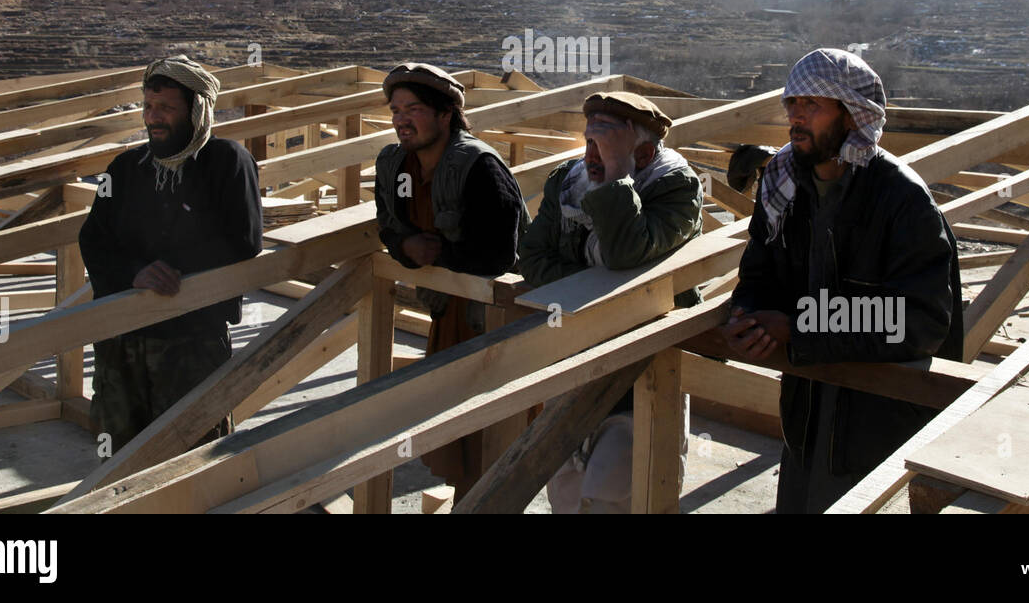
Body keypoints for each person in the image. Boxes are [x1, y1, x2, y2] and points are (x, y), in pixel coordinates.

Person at [719, 48, 961, 513]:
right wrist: (745, 313)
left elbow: (921, 320)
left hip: (877, 424)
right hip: (805, 415)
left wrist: (798, 327)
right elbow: (759, 272)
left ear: (851, 116)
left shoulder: (901, 199)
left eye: (813, 106)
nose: (796, 117)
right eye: (793, 105)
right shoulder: (785, 187)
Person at [518, 91, 704, 512]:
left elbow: (624, 255)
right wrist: (592, 288)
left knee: (619, 494)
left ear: (645, 151)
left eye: (606, 144)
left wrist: (619, 173)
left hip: (642, 369)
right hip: (571, 360)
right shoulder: (567, 181)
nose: (592, 156)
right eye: (589, 141)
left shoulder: (675, 186)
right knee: (565, 487)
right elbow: (531, 258)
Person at [79, 55, 262, 452]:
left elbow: (243, 241)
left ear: (196, 111)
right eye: (148, 106)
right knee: (119, 454)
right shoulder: (124, 168)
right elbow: (93, 239)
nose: (153, 117)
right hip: (122, 340)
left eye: (165, 108)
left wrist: (175, 268)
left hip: (191, 340)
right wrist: (135, 273)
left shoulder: (227, 162)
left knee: (191, 452)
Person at [373, 62, 528, 497]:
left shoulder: (478, 168)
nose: (402, 118)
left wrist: (441, 253)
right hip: (447, 311)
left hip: (493, 318)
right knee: (454, 430)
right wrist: (405, 248)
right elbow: (390, 222)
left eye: (414, 108)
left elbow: (501, 253)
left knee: (493, 430)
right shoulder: (400, 168)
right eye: (396, 109)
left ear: (446, 115)